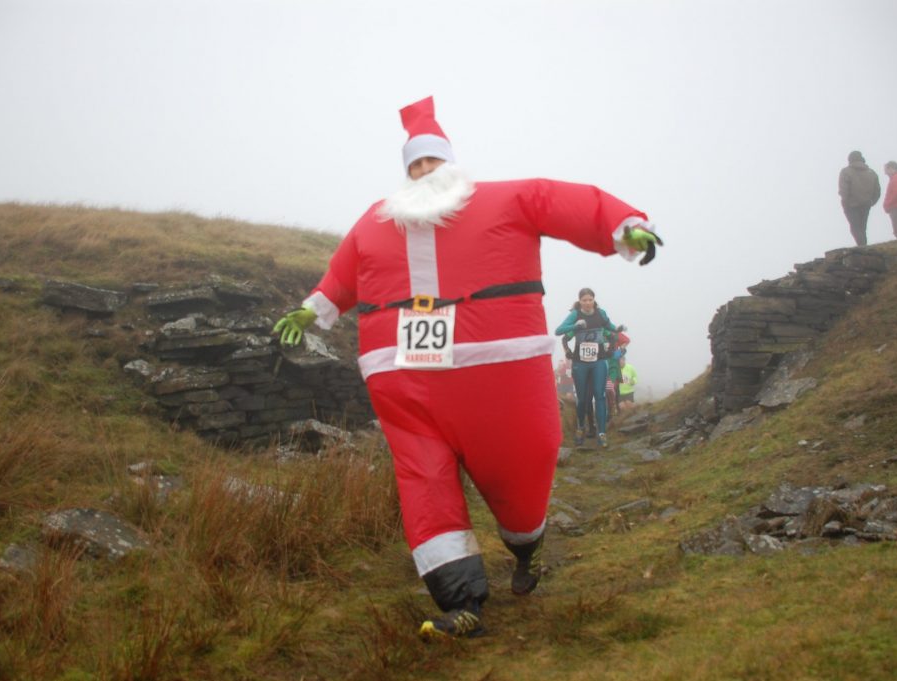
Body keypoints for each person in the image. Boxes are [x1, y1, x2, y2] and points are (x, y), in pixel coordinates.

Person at [272, 96, 662, 639]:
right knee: (423, 482)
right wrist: (312, 308)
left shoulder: (508, 199)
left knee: (522, 478)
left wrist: (625, 227)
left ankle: (526, 551)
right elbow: (344, 272)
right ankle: (463, 603)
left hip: (499, 374)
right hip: (405, 380)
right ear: (407, 172)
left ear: (450, 163)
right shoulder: (378, 220)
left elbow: (568, 203)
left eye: (432, 162)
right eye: (415, 165)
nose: (424, 172)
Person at [554, 288, 621, 449]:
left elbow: (611, 328)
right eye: (584, 300)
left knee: (599, 395)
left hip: (598, 361)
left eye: (590, 299)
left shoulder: (600, 313)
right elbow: (559, 331)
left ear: (593, 300)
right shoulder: (575, 314)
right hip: (580, 362)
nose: (587, 302)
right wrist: (575, 326)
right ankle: (580, 428)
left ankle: (602, 433)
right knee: (583, 398)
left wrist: (617, 330)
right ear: (580, 301)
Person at [838, 150, 881, 247]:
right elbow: (877, 191)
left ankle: (862, 247)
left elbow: (843, 189)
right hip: (866, 204)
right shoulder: (871, 172)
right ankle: (863, 246)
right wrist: (871, 202)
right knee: (862, 227)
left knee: (855, 227)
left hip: (851, 204)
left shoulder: (846, 171)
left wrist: (845, 202)